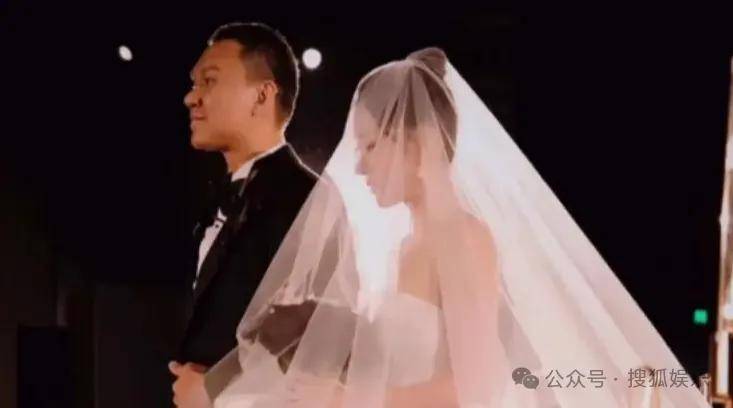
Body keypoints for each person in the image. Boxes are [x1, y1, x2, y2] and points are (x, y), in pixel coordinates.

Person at [212, 48, 710, 407]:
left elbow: (476, 389)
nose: (359, 167)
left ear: (417, 141)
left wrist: (350, 399)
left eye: (370, 146)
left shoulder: (462, 239)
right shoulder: (405, 244)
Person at [171, 22, 318, 407]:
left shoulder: (310, 202)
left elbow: (316, 338)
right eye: (193, 84)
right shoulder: (210, 199)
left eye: (209, 81)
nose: (191, 98)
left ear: (262, 95)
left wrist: (215, 388)